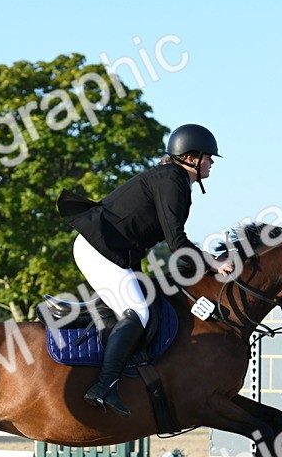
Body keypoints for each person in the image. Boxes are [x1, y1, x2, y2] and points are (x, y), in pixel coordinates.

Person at [57, 124, 234, 416]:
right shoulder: (172, 181)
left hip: (112, 251)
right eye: (208, 157)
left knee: (146, 301)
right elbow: (177, 243)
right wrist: (213, 262)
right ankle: (104, 386)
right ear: (191, 158)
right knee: (138, 312)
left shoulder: (173, 178)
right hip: (99, 249)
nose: (211, 162)